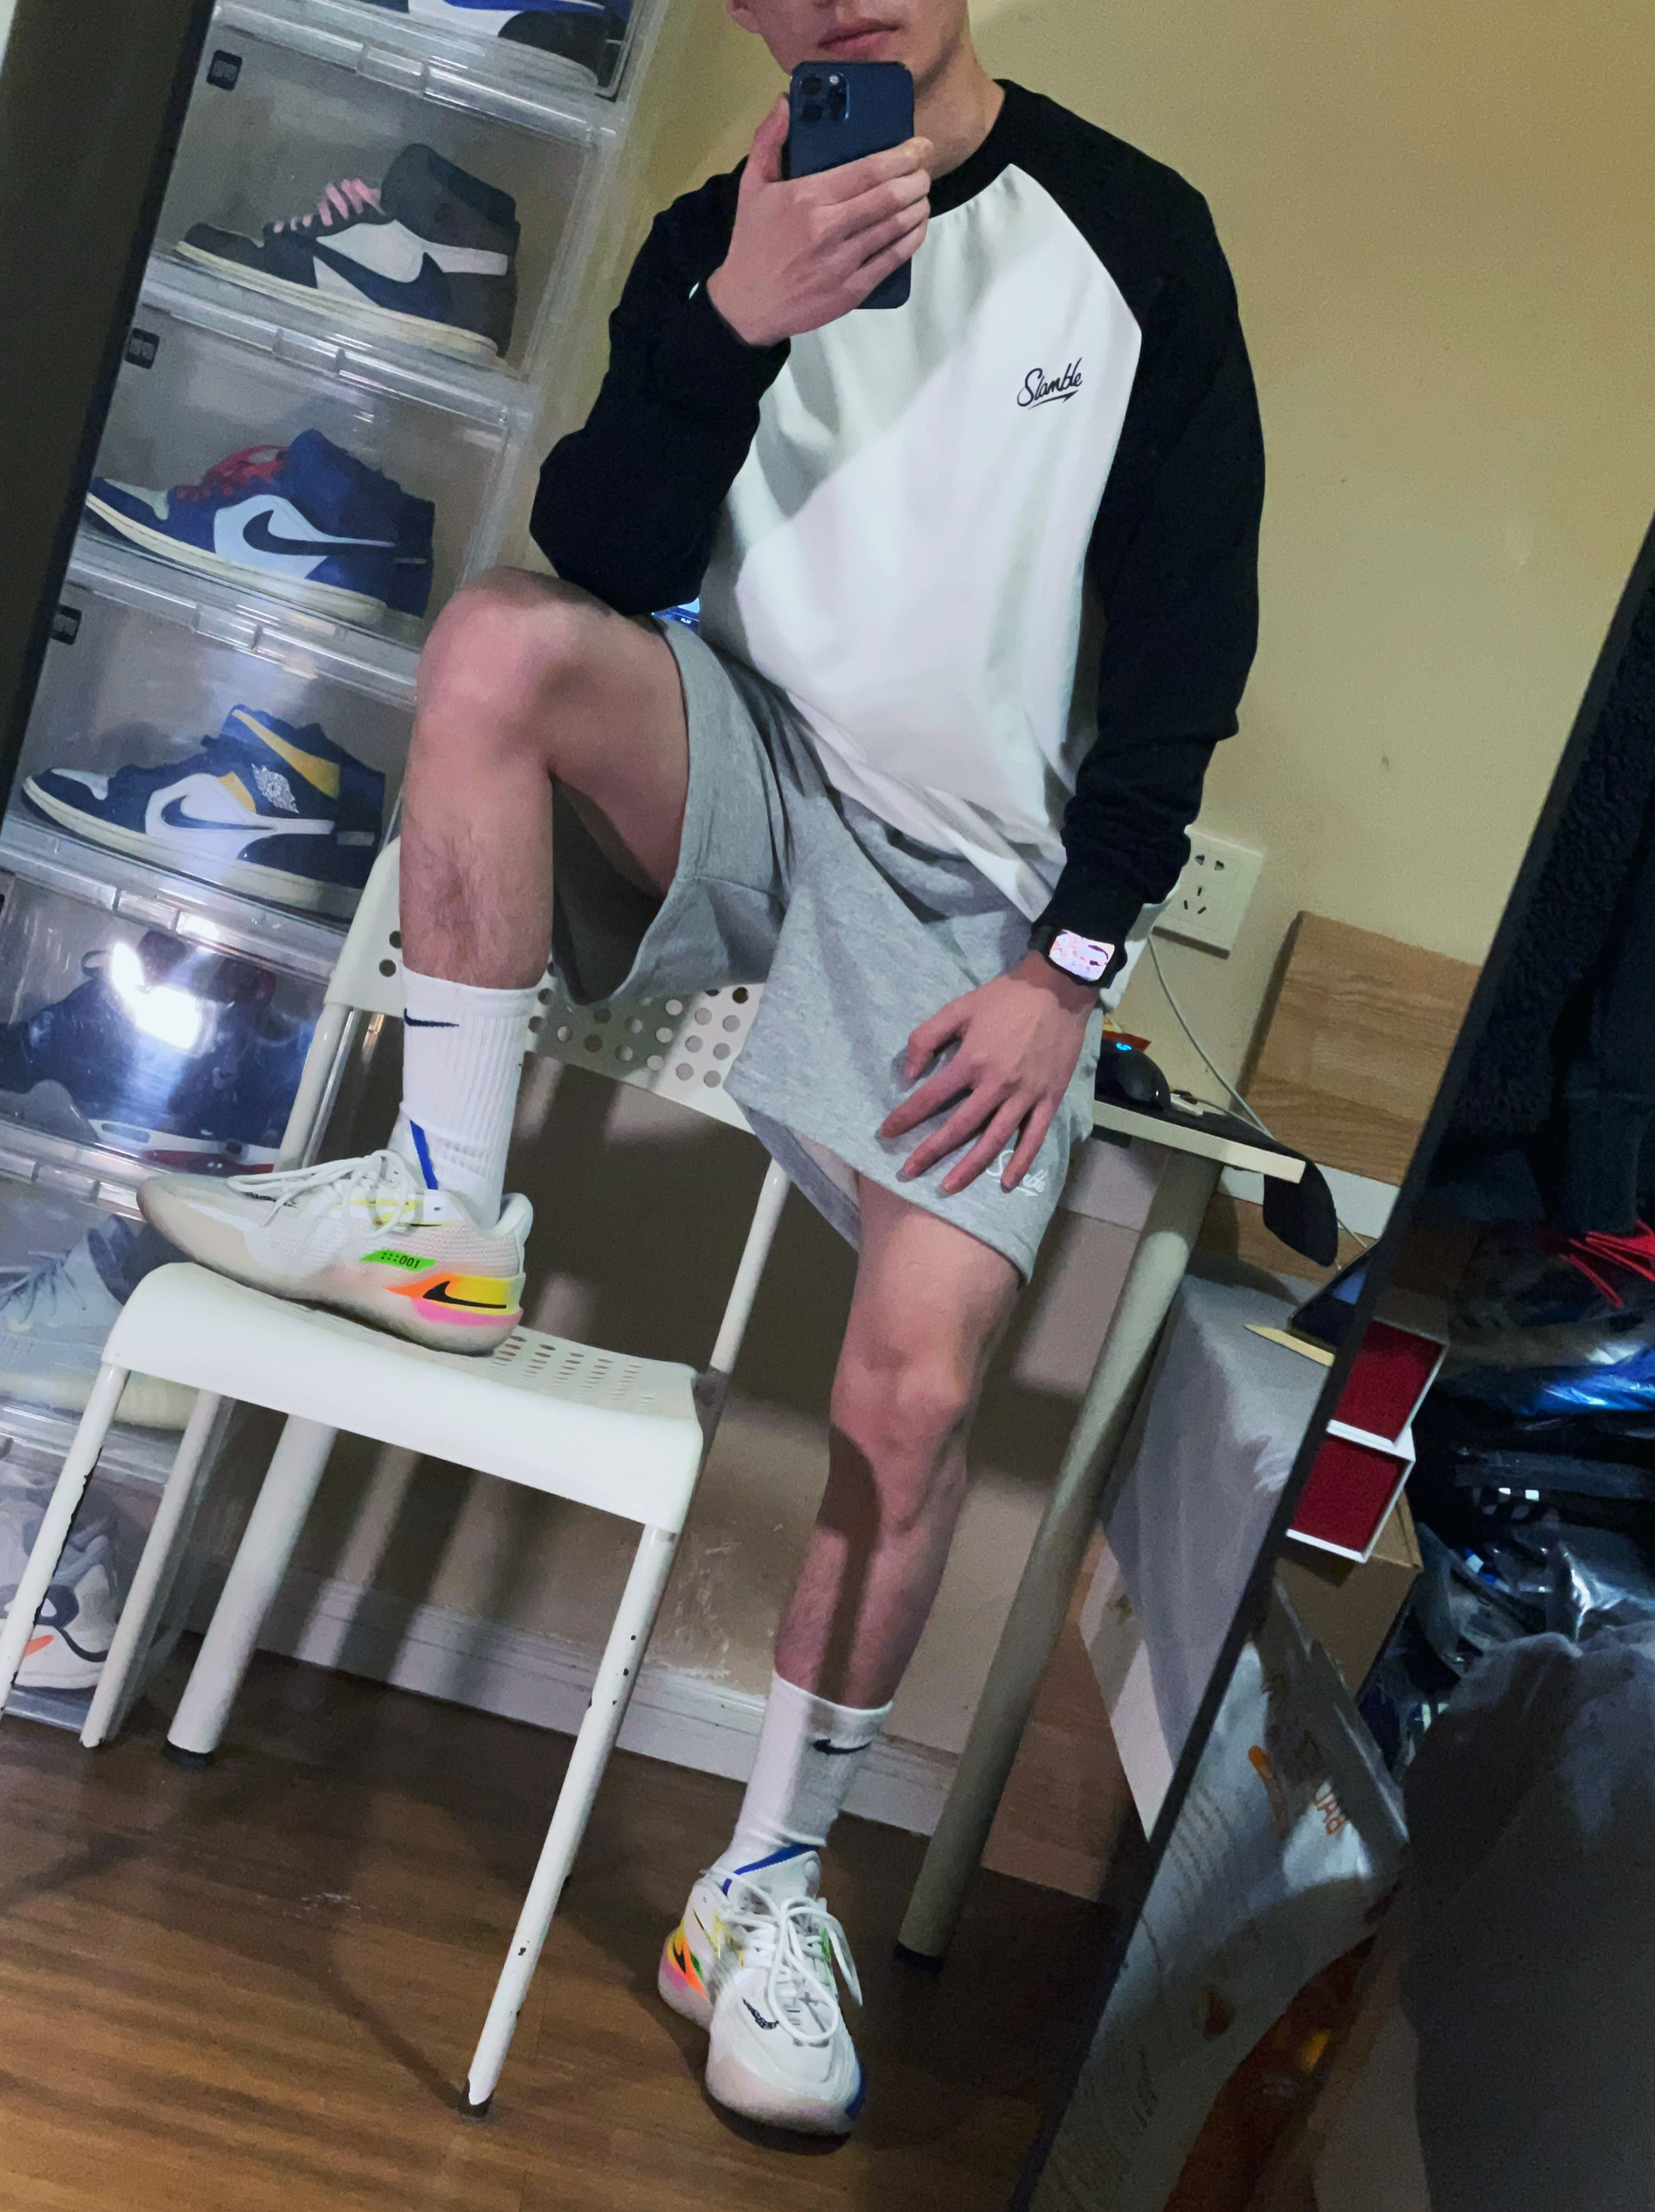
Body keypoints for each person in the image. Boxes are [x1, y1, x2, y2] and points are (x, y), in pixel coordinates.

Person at [142, 0, 1264, 2137]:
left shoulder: (1132, 240)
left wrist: (1072, 964)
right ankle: (440, 1206)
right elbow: (609, 564)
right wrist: (734, 317)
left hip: (974, 889)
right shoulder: (703, 232)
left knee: (912, 1397)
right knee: (495, 637)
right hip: (733, 764)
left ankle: (759, 1885)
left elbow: (1187, 637)